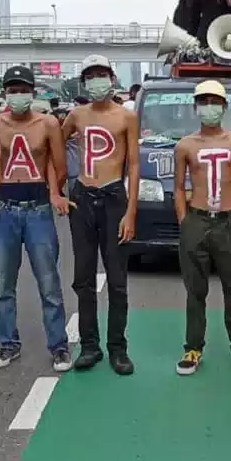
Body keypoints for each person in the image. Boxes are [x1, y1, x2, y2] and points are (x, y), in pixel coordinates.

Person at [0, 65, 72, 371]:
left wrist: (53, 193)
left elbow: (58, 166)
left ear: (33, 93)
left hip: (37, 209)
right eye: (13, 90)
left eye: (23, 90)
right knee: (3, 284)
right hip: (5, 208)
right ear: (5, 93)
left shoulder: (47, 123)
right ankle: (7, 343)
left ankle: (59, 345)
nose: (18, 95)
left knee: (48, 282)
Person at [61, 55, 140, 375]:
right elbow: (55, 143)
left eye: (101, 74)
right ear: (84, 82)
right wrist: (57, 187)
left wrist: (131, 211)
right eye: (90, 76)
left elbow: (133, 165)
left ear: (112, 77)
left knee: (118, 280)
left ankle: (118, 348)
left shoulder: (126, 117)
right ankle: (89, 346)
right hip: (82, 196)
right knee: (83, 277)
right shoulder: (76, 115)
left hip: (113, 198)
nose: (97, 81)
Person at [174, 80, 231, 375]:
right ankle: (193, 347)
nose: (210, 107)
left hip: (228, 221)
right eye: (204, 101)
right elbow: (179, 187)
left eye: (215, 101)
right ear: (196, 107)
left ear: (224, 106)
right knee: (195, 290)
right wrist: (184, 221)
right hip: (196, 219)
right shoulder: (185, 145)